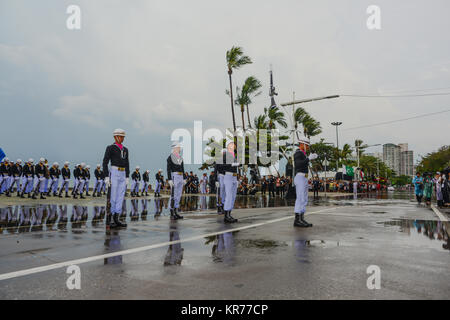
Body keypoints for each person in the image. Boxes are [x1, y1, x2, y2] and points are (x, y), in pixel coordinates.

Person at [103, 128, 129, 228]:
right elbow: (105, 162)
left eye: (123, 137)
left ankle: (116, 218)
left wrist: (127, 176)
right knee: (112, 196)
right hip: (114, 171)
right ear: (115, 137)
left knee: (120, 196)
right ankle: (109, 219)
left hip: (123, 173)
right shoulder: (110, 148)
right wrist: (106, 176)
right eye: (121, 136)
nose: (122, 138)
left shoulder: (125, 149)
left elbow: (127, 163)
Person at [293, 139, 317, 227]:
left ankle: (301, 218)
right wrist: (308, 159)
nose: (307, 147)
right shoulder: (298, 153)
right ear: (302, 144)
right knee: (300, 198)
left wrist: (310, 158)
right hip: (300, 177)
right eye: (306, 145)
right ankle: (297, 220)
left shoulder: (303, 153)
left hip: (304, 178)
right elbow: (298, 164)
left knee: (304, 198)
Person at [222, 141, 239, 223]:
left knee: (233, 196)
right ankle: (226, 216)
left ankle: (229, 213)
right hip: (228, 176)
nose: (234, 147)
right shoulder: (225, 155)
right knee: (228, 196)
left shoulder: (234, 156)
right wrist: (231, 165)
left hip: (234, 177)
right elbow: (221, 166)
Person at [167, 142, 185, 220]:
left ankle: (176, 211)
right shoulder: (170, 157)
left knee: (178, 195)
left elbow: (183, 168)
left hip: (180, 176)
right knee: (173, 195)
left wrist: (184, 178)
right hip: (175, 175)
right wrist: (169, 179)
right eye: (178, 147)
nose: (180, 149)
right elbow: (168, 169)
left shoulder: (180, 158)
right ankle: (172, 212)